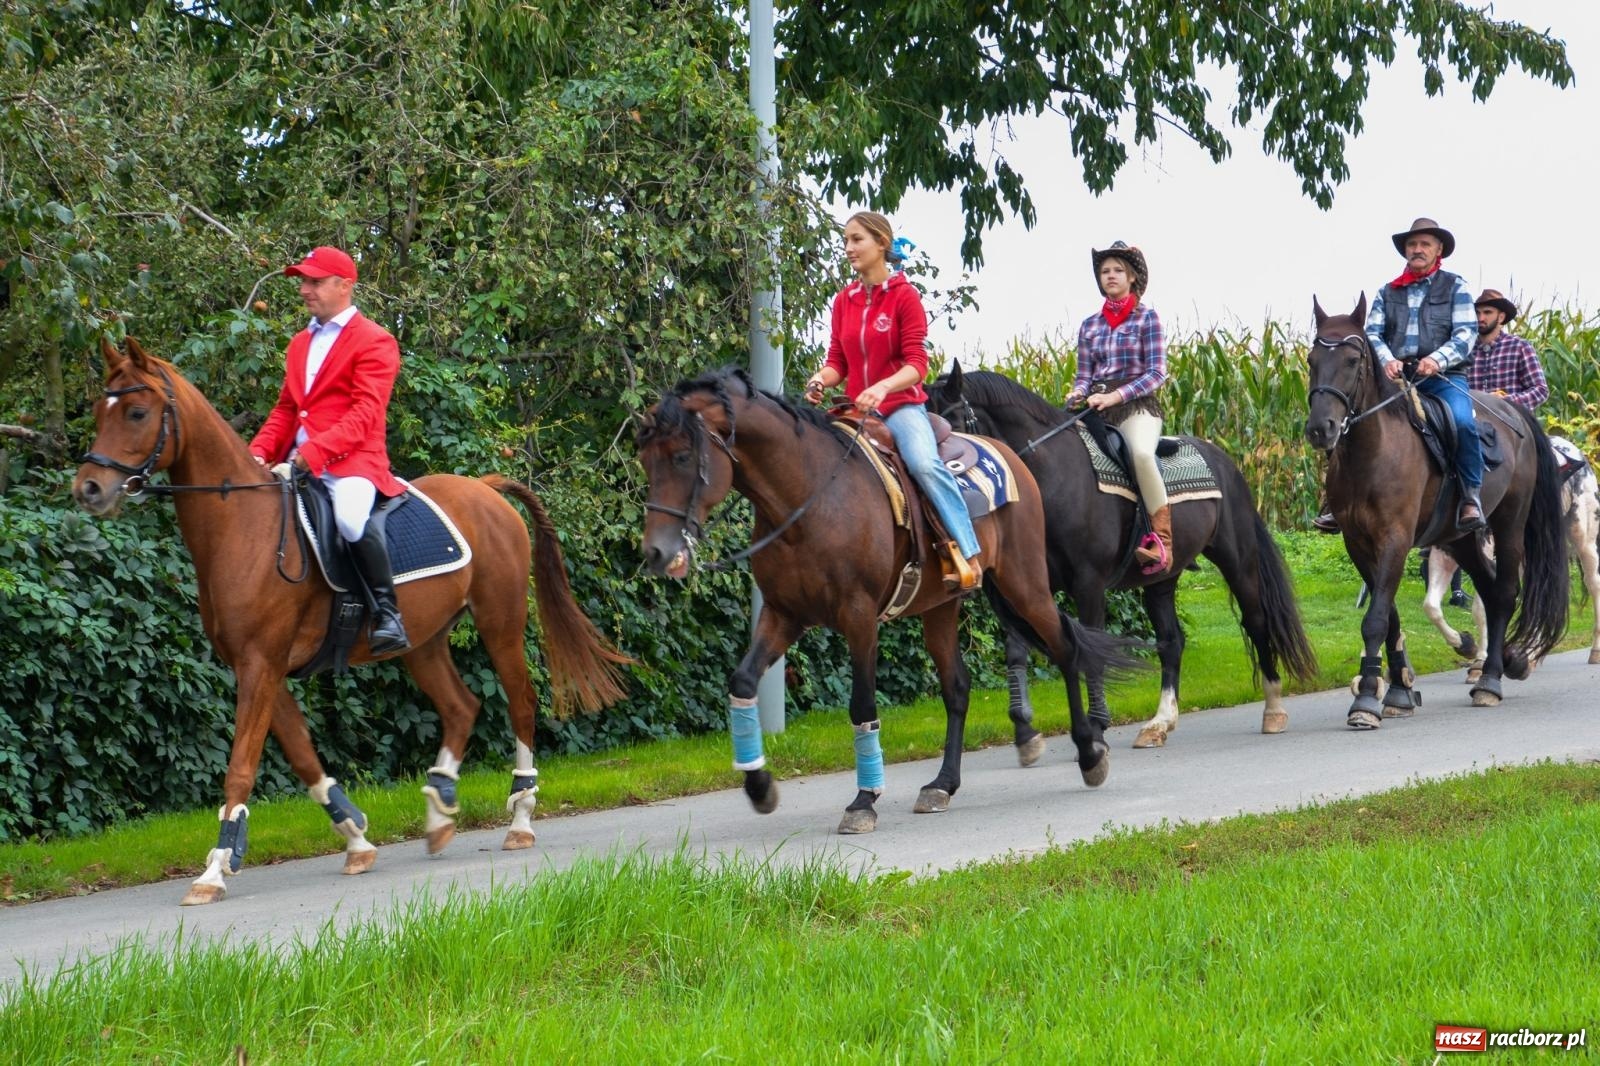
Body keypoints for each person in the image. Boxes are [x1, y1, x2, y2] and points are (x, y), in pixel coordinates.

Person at [803, 211, 983, 590]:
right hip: (854, 411)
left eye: (857, 240)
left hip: (901, 407)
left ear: (881, 243)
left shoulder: (905, 297)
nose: (848, 248)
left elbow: (917, 364)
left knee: (922, 463)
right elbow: (838, 362)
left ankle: (966, 553)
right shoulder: (843, 301)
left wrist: (883, 388)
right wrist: (821, 378)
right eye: (846, 240)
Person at [249, 245, 411, 654]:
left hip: (352, 463)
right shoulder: (300, 343)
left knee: (351, 519)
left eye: (315, 281)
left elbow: (365, 413)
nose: (305, 289)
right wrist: (257, 453)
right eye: (303, 281)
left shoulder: (376, 341)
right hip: (297, 464)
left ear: (345, 286)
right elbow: (287, 409)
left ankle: (386, 613)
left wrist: (315, 454)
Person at [1367, 217, 1484, 530]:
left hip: (1443, 377)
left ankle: (1471, 496)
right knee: (1355, 421)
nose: (1417, 250)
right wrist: (1387, 360)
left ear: (1438, 249)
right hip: (1396, 379)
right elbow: (1372, 334)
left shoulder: (1455, 285)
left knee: (1462, 422)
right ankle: (1337, 501)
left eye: (1424, 244)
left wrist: (1437, 359)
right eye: (1412, 244)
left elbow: (1466, 333)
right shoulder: (1386, 292)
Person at [1065, 241, 1172, 573]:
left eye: (1117, 271)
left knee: (1140, 454)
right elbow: (1084, 375)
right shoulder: (1089, 326)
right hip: (1095, 406)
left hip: (1135, 406)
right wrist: (1077, 392)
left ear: (1132, 279)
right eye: (1104, 271)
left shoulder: (1146, 319)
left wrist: (1116, 396)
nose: (1109, 276)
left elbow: (1157, 373)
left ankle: (1163, 541)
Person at [1469, 288, 1548, 410]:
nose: (1481, 318)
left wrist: (1505, 402)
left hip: (1512, 423)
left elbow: (1540, 390)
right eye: (1477, 313)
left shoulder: (1519, 347)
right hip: (1473, 422)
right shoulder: (1465, 350)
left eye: (1487, 312)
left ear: (1501, 317)